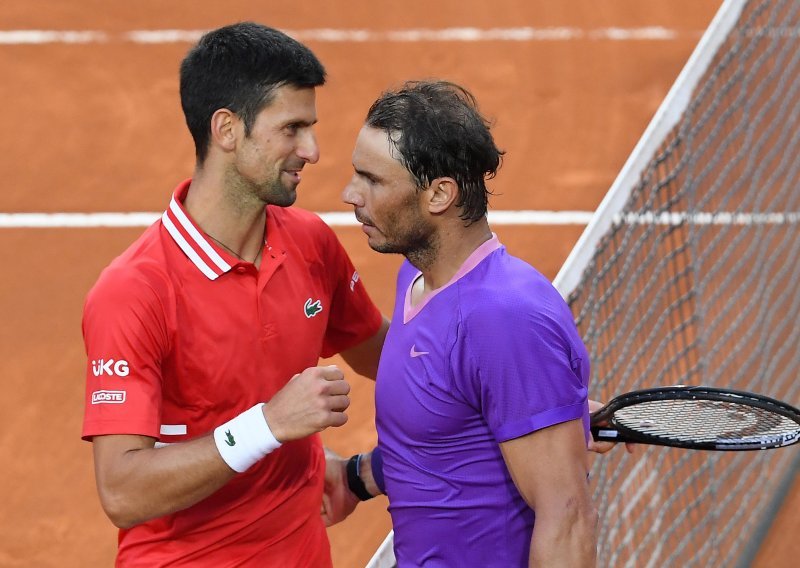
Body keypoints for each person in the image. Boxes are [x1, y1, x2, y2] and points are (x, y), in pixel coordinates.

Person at [81, 22, 388, 567]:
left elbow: (391, 358)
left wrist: (532, 403)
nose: (312, 151)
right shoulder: (135, 292)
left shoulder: (311, 243)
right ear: (226, 129)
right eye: (291, 128)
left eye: (310, 127)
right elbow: (123, 491)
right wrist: (267, 425)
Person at [335, 80, 598, 567]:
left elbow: (567, 517)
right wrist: (357, 479)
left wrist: (539, 401)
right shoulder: (415, 277)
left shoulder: (504, 319)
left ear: (439, 194)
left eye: (373, 179)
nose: (350, 194)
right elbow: (445, 434)